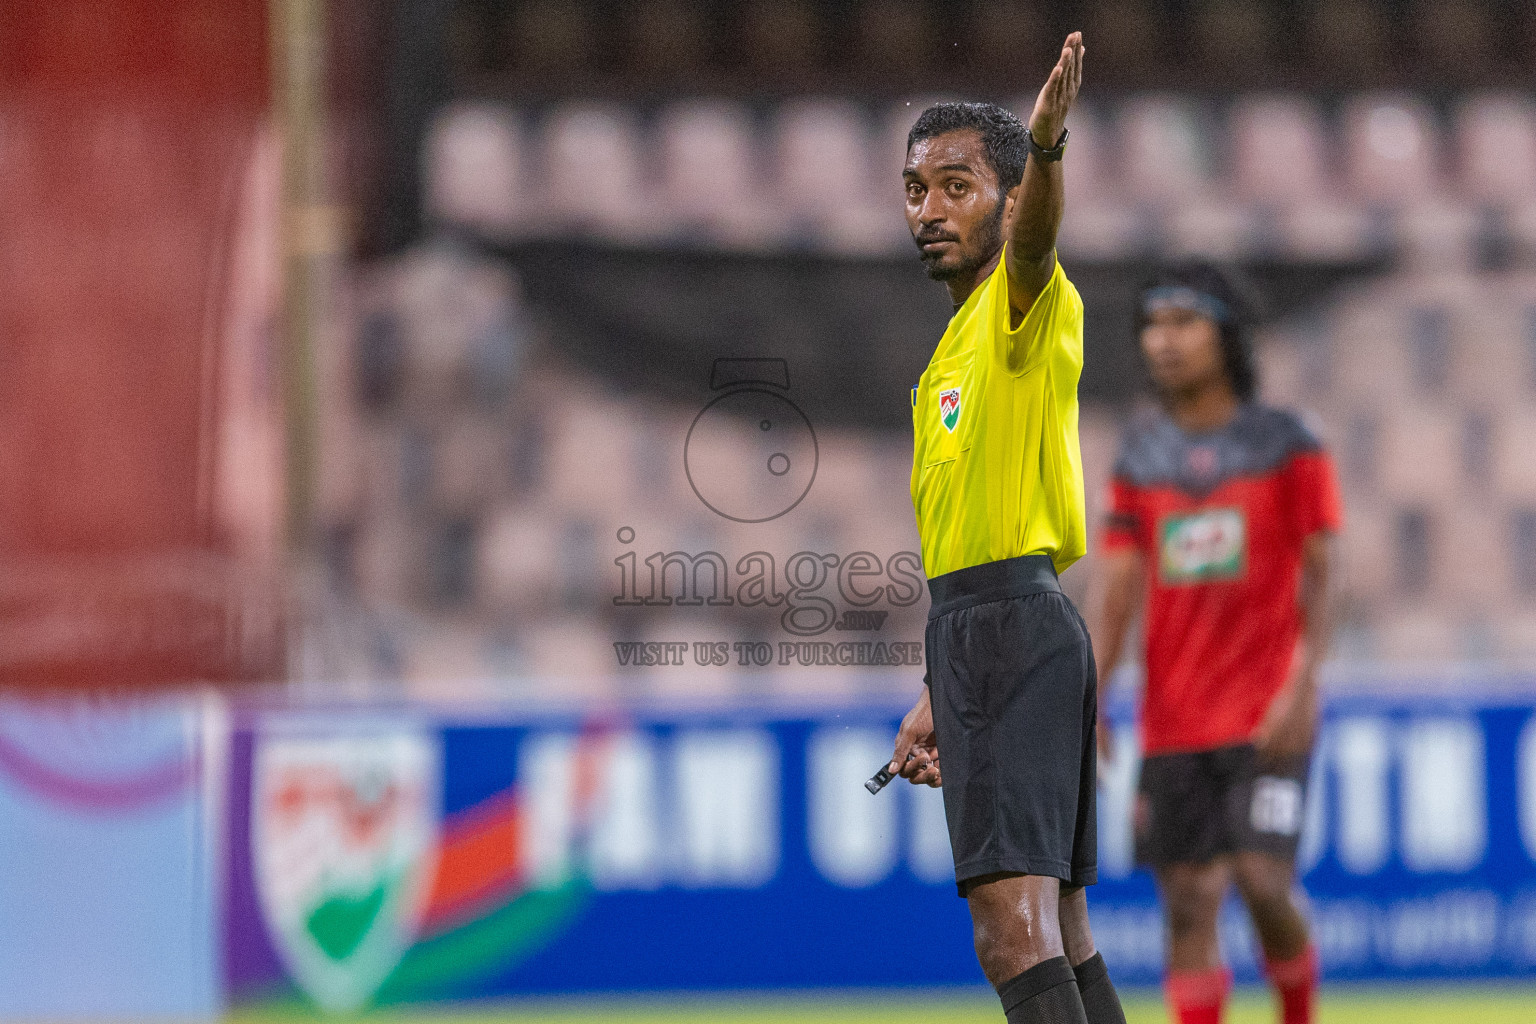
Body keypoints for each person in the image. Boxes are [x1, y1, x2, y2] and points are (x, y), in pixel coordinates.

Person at [885, 33, 1126, 1024]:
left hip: (1010, 627)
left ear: (1011, 199)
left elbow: (1034, 245)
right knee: (1060, 928)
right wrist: (938, 688)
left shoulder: (1020, 308)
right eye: (915, 189)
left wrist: (1048, 146)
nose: (930, 210)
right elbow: (967, 535)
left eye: (958, 186)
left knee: (1009, 931)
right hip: (991, 626)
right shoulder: (948, 357)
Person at [1091, 261, 1341, 1024]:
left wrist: (1303, 684)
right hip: (1172, 722)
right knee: (1188, 906)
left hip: (1266, 712)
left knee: (1264, 882)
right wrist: (1094, 691)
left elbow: (1325, 572)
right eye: (1152, 327)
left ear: (1227, 336)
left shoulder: (1286, 443)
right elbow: (1119, 589)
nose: (1164, 342)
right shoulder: (1141, 461)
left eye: (1184, 323)